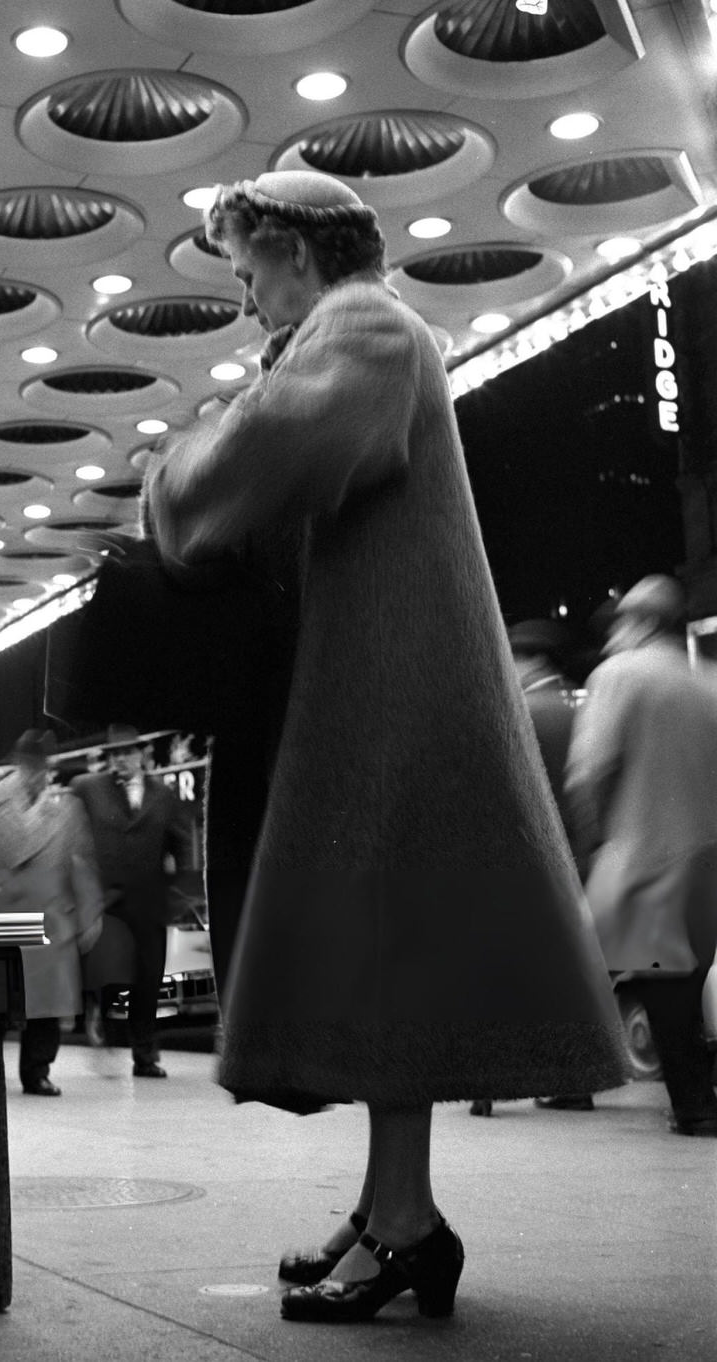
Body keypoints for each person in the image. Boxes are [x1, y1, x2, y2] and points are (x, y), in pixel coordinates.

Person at [143, 169, 627, 1322]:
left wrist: (169, 479)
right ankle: (386, 1208)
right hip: (383, 682)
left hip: (388, 692)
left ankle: (404, 1223)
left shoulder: (361, 325)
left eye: (249, 268)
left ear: (299, 252)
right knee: (381, 952)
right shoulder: (375, 334)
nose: (246, 294)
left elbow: (268, 458)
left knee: (384, 950)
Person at [566, 575, 717, 1137]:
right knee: (677, 986)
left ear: (644, 622)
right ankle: (694, 1098)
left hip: (643, 856)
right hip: (707, 864)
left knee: (586, 971)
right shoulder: (708, 683)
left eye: (623, 621)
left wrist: (589, 843)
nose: (613, 635)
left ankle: (569, 1080)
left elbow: (588, 772)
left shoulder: (620, 676)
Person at [472, 618, 585, 1116]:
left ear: (529, 660)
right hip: (573, 863)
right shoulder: (575, 710)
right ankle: (573, 1082)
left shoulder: (518, 713)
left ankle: (488, 1081)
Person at [0, 729, 103, 1096]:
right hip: (1, 914)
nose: (37, 773)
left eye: (43, 766)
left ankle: (37, 1070)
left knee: (45, 1004)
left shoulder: (68, 807)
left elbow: (83, 862)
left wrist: (89, 914)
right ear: (17, 763)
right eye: (31, 764)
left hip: (51, 916)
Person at [71, 724, 196, 1079]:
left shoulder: (164, 796)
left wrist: (176, 888)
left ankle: (145, 1055)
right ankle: (108, 1036)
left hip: (149, 902)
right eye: (113, 754)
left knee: (147, 979)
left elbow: (182, 844)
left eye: (126, 753)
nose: (119, 760)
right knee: (112, 977)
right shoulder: (88, 789)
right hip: (107, 903)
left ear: (141, 754)